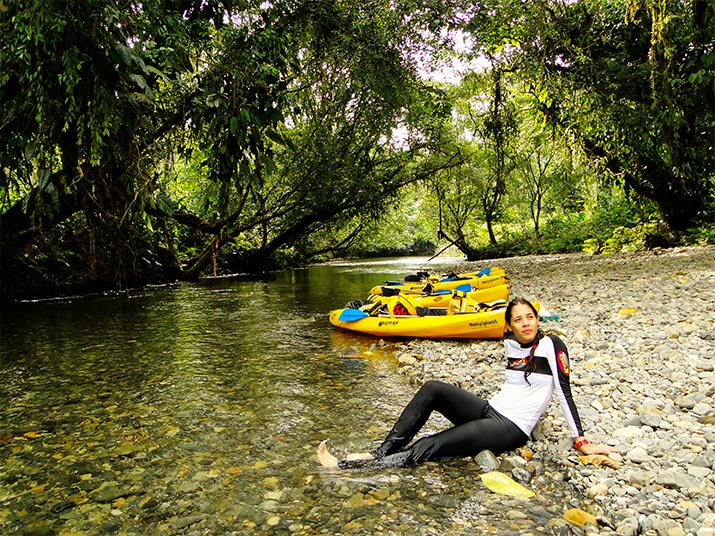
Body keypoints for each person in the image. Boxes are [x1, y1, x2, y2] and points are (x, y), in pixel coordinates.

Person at [317, 297, 617, 469]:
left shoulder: (552, 345)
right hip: (491, 410)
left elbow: (565, 393)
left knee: (431, 444)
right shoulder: (511, 344)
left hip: (510, 428)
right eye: (519, 319)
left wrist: (582, 443)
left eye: (530, 317)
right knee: (432, 388)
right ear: (509, 325)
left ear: (537, 320)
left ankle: (347, 467)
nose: (526, 324)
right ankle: (381, 453)